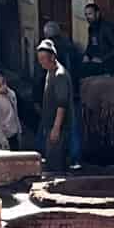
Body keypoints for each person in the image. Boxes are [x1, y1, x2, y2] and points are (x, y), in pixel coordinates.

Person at [35, 39, 75, 173]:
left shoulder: (60, 75)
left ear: (52, 57)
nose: (41, 62)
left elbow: (61, 104)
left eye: (43, 58)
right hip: (49, 123)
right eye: (39, 58)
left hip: (58, 126)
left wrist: (56, 128)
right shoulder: (49, 71)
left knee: (55, 163)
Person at [82, 1, 114, 77]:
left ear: (97, 14)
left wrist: (102, 59)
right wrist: (87, 55)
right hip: (95, 60)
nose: (88, 17)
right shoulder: (91, 28)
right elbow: (90, 45)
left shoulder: (108, 28)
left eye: (90, 14)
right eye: (86, 15)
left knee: (84, 71)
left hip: (108, 62)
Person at [0, 72, 21, 151]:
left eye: (4, 83)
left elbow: (15, 113)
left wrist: (19, 130)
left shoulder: (11, 93)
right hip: (5, 137)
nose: (3, 86)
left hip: (15, 133)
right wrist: (4, 143)